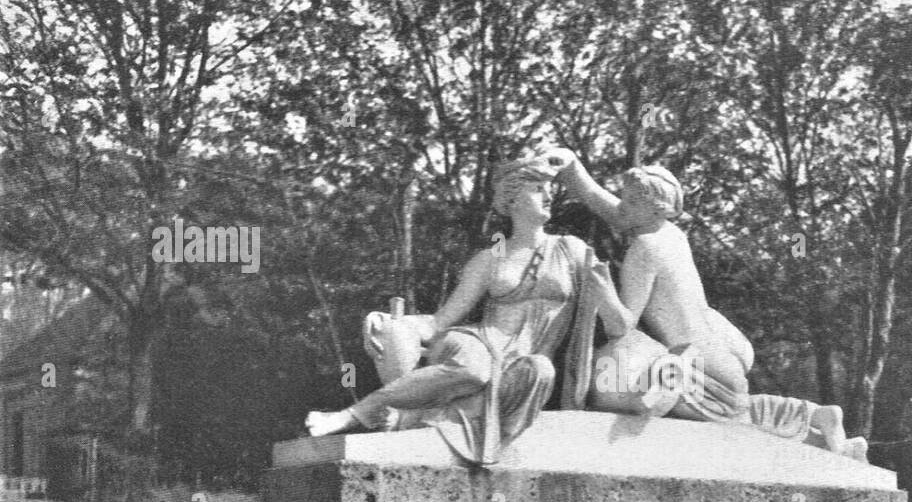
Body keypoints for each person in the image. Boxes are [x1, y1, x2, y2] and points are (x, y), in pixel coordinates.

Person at [304, 157, 630, 463]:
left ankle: (412, 418)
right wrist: (392, 322)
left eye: (551, 189)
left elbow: (619, 326)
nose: (549, 197)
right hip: (480, 342)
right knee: (476, 369)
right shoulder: (489, 260)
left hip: (524, 360)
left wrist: (606, 297)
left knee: (540, 371)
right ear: (512, 199)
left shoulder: (572, 249)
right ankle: (351, 414)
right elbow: (440, 321)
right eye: (538, 189)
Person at [547, 149, 867, 460]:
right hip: (721, 349)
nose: (623, 207)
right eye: (625, 198)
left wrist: (602, 291)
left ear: (656, 209)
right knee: (735, 409)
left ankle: (813, 416)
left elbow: (621, 325)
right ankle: (822, 428)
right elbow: (616, 213)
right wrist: (573, 170)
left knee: (731, 411)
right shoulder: (670, 233)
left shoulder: (644, 248)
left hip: (699, 359)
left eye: (632, 201)